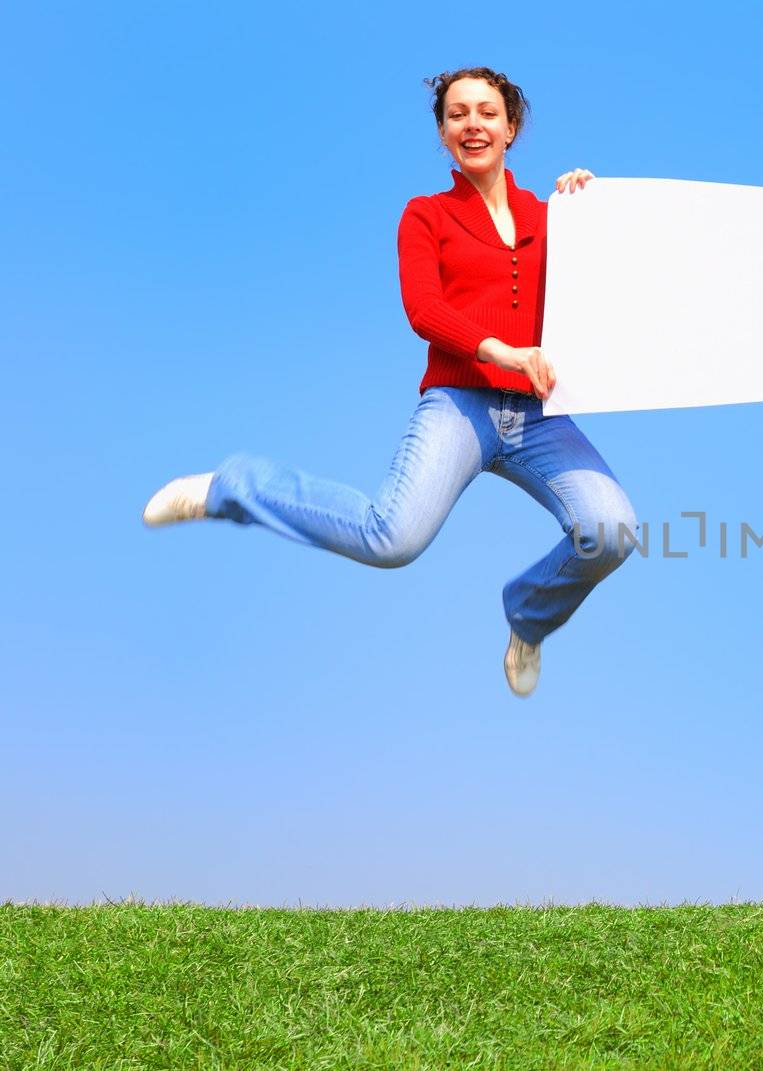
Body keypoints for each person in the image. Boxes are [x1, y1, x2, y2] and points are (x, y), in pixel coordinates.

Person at [142, 66, 634, 698]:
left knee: (611, 532)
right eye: (457, 115)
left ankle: (528, 618)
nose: (473, 124)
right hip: (460, 403)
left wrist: (595, 206)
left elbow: (615, 280)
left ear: (511, 128)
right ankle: (235, 487)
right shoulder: (425, 215)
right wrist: (503, 353)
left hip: (538, 415)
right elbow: (425, 311)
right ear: (443, 134)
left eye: (487, 112)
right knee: (391, 539)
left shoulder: (553, 219)